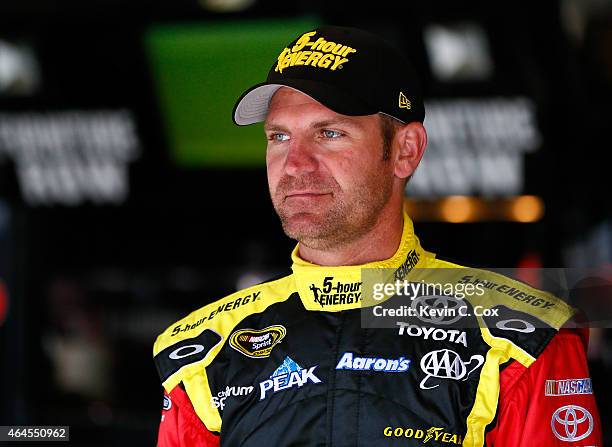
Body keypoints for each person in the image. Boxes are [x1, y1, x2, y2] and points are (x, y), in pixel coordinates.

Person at [153, 26, 602, 446]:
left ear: (405, 151)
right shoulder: (198, 354)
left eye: (329, 134)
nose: (295, 165)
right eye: (279, 136)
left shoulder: (521, 342)